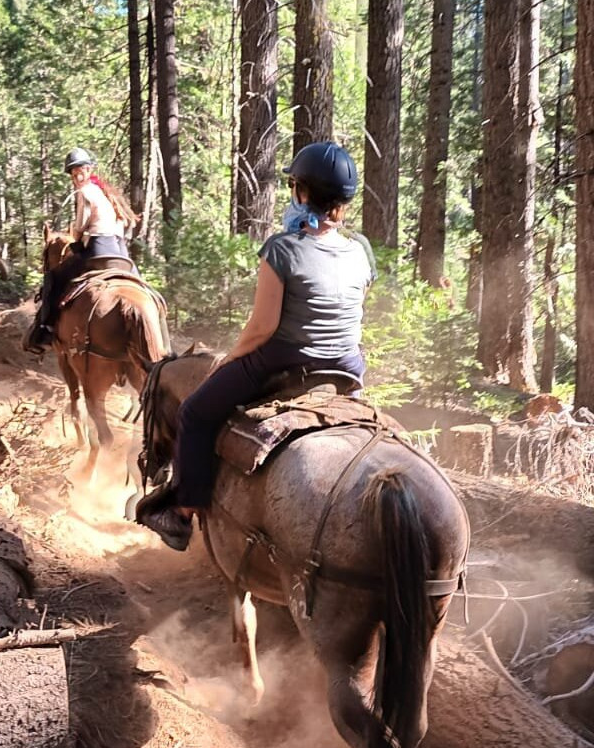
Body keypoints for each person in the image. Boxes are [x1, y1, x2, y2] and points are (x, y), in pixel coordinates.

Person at [138, 141, 377, 550]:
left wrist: (230, 358)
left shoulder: (282, 249)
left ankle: (181, 513)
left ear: (302, 192)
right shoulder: (361, 250)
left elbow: (263, 328)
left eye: (294, 186)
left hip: (285, 359)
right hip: (347, 365)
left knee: (195, 412)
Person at [27, 147, 138, 349]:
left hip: (98, 249)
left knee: (54, 278)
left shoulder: (85, 192)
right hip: (120, 251)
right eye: (73, 171)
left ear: (89, 170)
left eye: (80, 170)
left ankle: (44, 330)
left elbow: (80, 225)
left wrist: (75, 240)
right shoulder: (106, 194)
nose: (77, 174)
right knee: (140, 284)